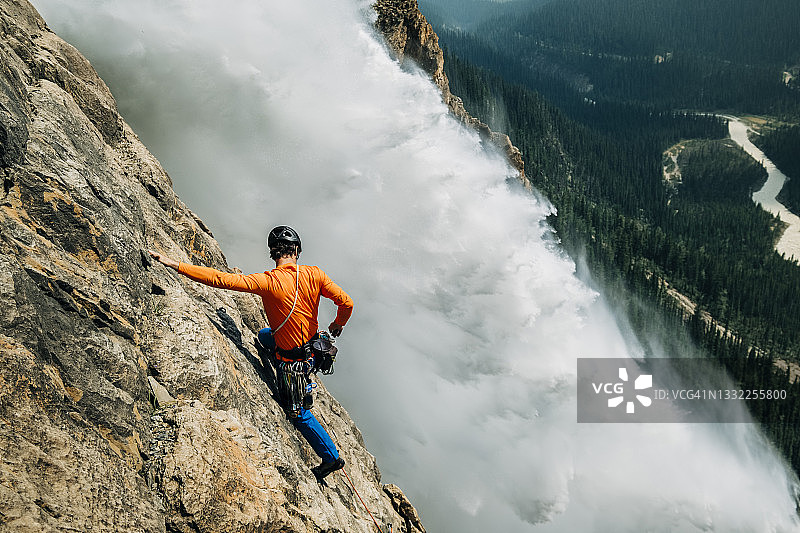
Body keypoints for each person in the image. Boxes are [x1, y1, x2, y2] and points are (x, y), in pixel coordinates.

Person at [148, 225, 353, 481]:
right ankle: (306, 385)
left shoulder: (268, 282)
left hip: (292, 362)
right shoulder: (315, 274)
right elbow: (347, 303)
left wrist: (175, 264)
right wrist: (337, 324)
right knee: (265, 335)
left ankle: (331, 458)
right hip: (312, 349)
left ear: (273, 253)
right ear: (296, 250)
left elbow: (220, 279)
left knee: (297, 413)